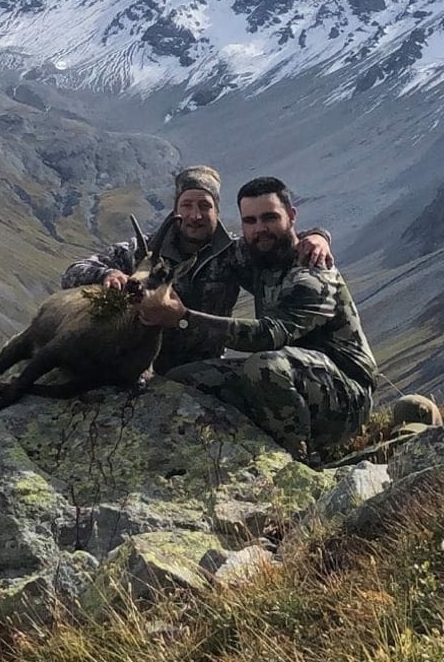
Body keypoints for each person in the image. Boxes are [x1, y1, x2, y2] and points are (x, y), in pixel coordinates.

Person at [137, 175, 378, 464]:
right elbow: (201, 254)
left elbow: (269, 335)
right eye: (250, 221)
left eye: (269, 217)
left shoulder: (312, 273)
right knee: (186, 379)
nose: (259, 229)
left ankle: (296, 463)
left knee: (265, 366)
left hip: (344, 396)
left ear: (291, 216)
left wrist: (183, 318)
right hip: (288, 377)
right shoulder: (256, 255)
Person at [60, 165, 333, 375]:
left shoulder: (234, 254)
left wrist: (318, 236)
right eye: (187, 205)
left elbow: (275, 241)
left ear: (216, 209)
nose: (195, 215)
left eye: (205, 206)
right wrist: (108, 275)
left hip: (204, 371)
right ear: (175, 209)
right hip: (134, 364)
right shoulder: (141, 251)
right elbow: (74, 272)